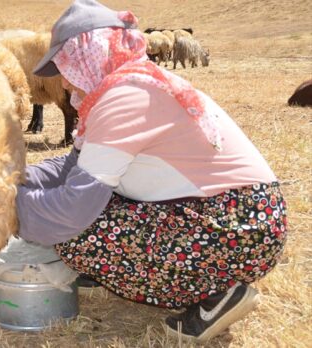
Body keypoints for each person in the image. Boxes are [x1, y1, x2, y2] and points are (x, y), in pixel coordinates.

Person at [15, 0, 287, 343]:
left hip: (237, 227)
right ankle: (132, 271)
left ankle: (216, 291)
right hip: (243, 218)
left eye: (66, 68)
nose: (66, 85)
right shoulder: (129, 85)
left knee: (76, 233)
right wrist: (11, 178)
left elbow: (73, 210)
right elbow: (71, 167)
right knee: (89, 209)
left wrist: (3, 207)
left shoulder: (124, 97)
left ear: (89, 54)